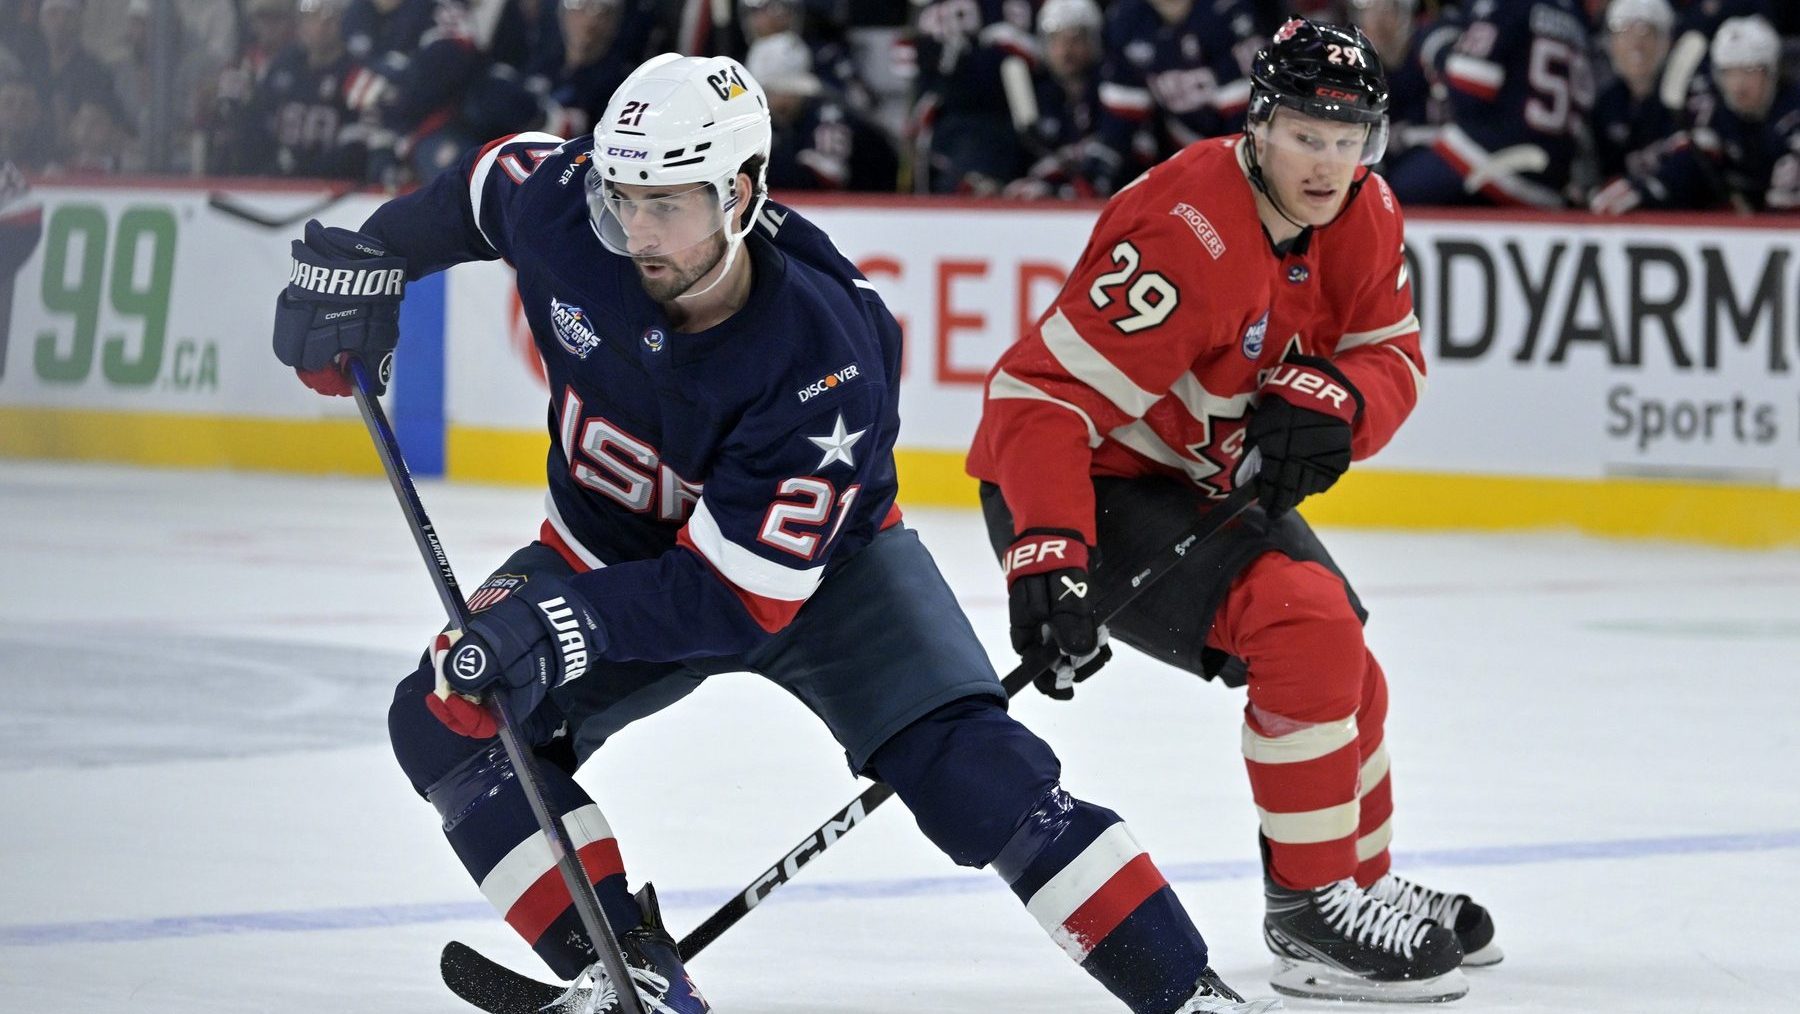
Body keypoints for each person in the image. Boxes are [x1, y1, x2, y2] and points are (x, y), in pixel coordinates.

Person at [271, 52, 1280, 1014]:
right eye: (622, 200)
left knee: (979, 778)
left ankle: (1187, 993)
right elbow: (487, 185)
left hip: (825, 575)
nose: (636, 232)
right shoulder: (571, 209)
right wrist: (377, 265)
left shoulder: (828, 351)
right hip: (609, 551)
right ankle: (629, 974)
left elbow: (740, 597)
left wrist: (560, 620)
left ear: (742, 194)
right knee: (445, 711)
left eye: (667, 206)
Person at [968, 18, 1501, 1004]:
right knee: (1306, 623)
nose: (1330, 164)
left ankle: (1356, 890)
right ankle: (1310, 917)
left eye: (1352, 141)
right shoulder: (1187, 231)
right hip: (1092, 484)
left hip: (1192, 475)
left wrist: (1342, 404)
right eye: (1307, 134)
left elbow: (1393, 358)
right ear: (1259, 126)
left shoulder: (1366, 212)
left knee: (1347, 665)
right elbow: (1036, 403)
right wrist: (1048, 553)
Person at [1386, 0, 1595, 207]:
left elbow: (1467, 90)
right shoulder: (1576, 17)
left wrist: (1434, 41)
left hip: (1498, 158)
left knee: (1387, 195)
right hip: (1554, 179)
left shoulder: (1507, 6)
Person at [1592, 12, 1800, 212]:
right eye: (1729, 72)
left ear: (1772, 72)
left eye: (1750, 71)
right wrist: (1653, 190)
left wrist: (1761, 218)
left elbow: (1786, 211)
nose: (1739, 85)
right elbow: (1689, 160)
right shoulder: (1715, 112)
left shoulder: (1792, 113)